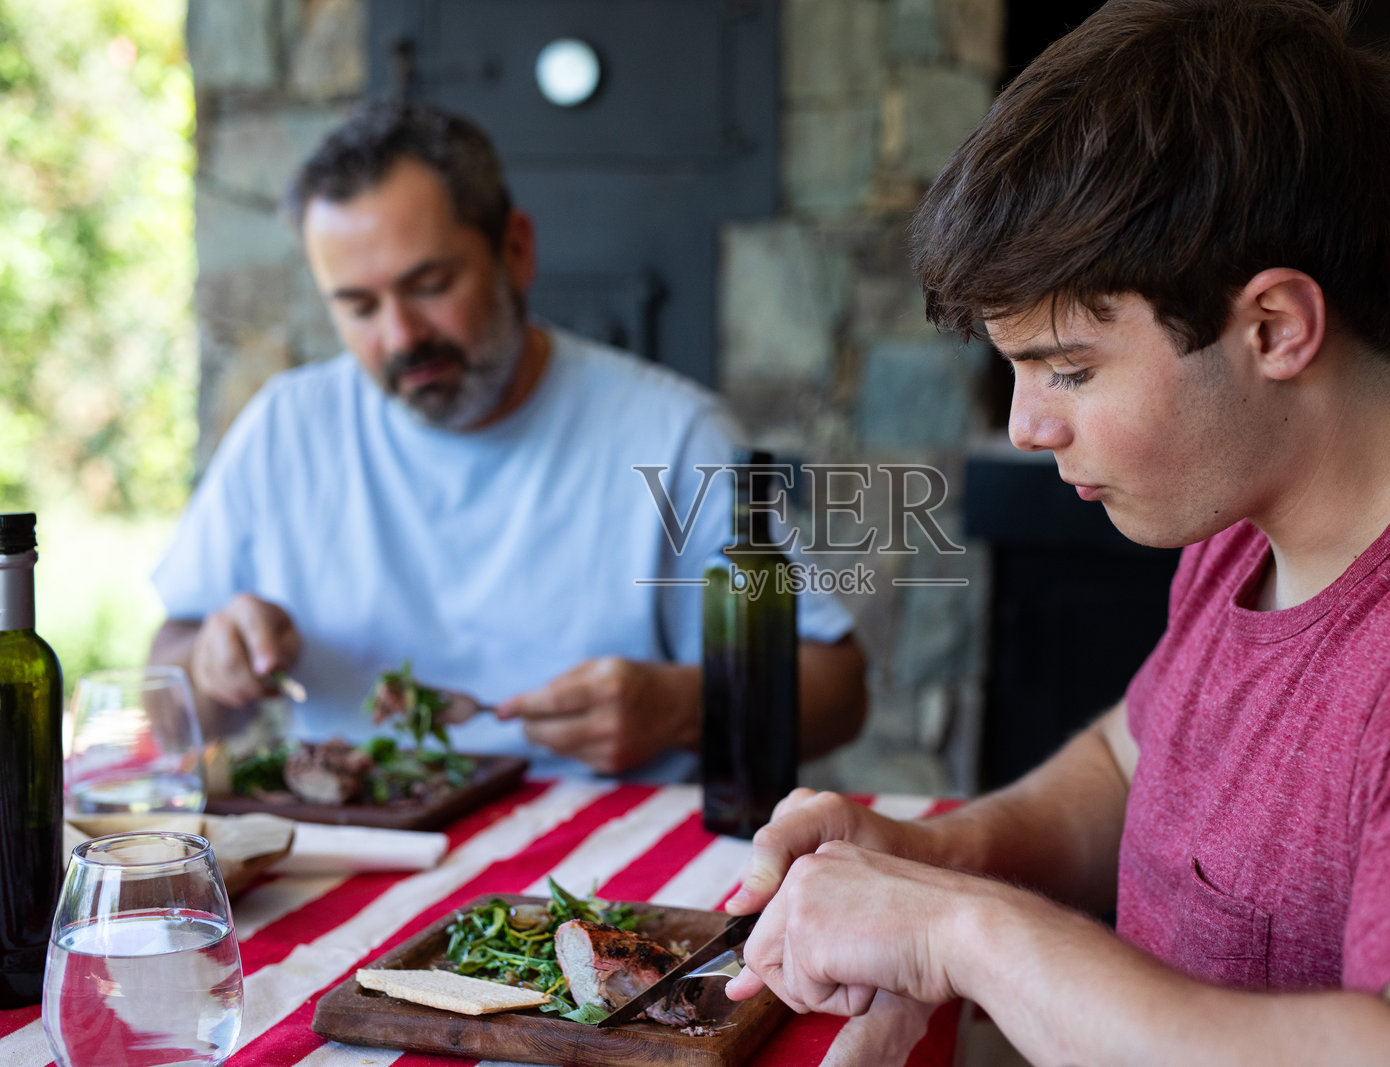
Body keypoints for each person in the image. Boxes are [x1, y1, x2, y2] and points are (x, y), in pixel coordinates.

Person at [721, 1, 1390, 1062]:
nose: (1025, 424)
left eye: (1068, 367)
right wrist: (932, 854)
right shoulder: (1249, 519)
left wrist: (961, 930)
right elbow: (1135, 759)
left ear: (1272, 327)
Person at [149, 100, 867, 780]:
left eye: (430, 284)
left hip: (602, 866)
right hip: (353, 833)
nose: (400, 337)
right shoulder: (286, 429)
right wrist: (211, 665)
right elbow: (166, 683)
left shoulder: (674, 436)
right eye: (359, 307)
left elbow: (838, 689)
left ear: (515, 250)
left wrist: (682, 706)